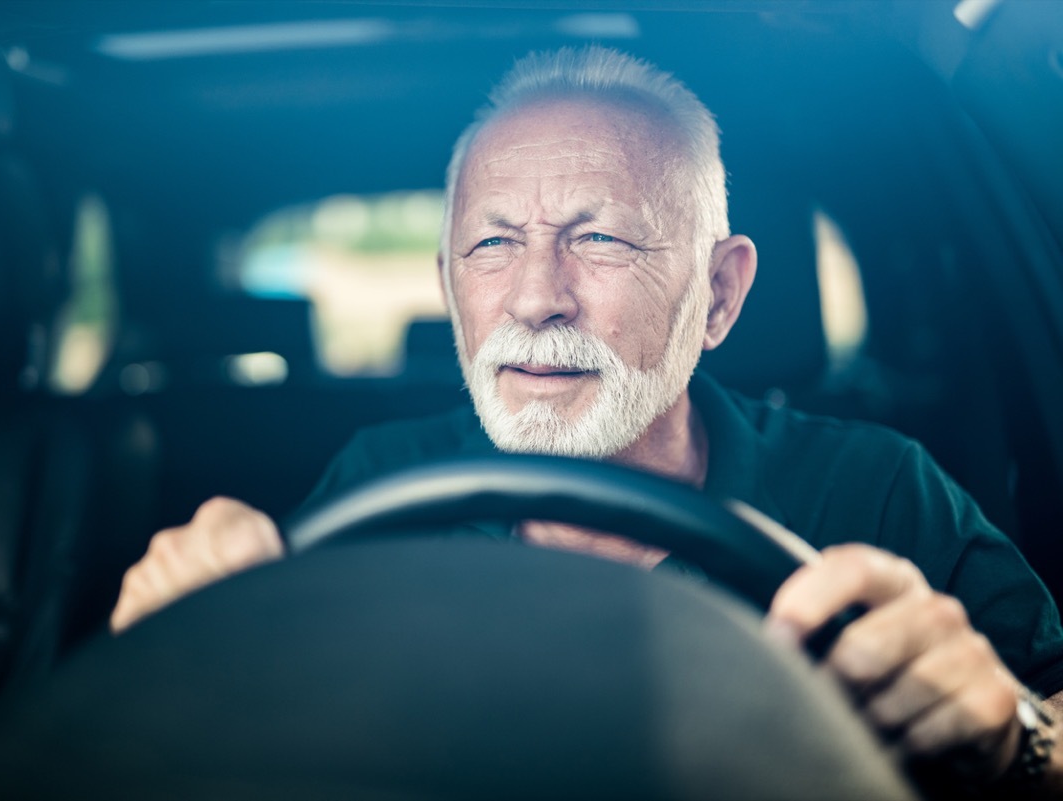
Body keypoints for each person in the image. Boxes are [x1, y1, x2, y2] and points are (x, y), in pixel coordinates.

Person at [110, 46, 1063, 792]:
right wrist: (167, 652)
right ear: (450, 288)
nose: (534, 299)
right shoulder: (376, 484)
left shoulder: (878, 490)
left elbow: (1047, 712)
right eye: (492, 245)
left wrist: (1016, 736)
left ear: (721, 295)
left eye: (597, 238)